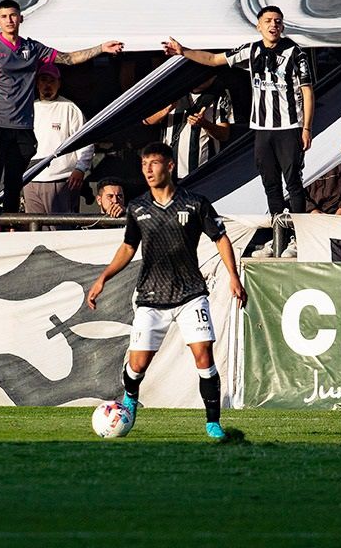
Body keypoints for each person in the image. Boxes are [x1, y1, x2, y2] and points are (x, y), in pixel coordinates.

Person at [86, 141, 245, 442]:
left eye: (154, 163)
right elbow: (128, 247)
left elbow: (221, 239)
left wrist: (233, 277)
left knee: (203, 356)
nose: (147, 169)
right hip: (151, 296)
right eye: (144, 163)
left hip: (190, 293)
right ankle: (130, 397)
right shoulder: (138, 207)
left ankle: (213, 423)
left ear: (170, 166)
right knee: (137, 365)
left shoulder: (195, 203)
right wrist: (103, 277)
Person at [0, 0, 123, 230]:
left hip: (23, 126)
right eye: (4, 16)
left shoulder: (32, 48)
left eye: (13, 15)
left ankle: (11, 228)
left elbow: (67, 58)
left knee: (14, 181)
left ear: (21, 18)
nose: (9, 20)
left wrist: (100, 49)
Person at [163, 5, 315, 234]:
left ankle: (300, 236)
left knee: (293, 181)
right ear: (259, 26)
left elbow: (307, 91)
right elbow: (214, 60)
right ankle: (280, 236)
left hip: (289, 127)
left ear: (283, 26)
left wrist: (307, 128)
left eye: (277, 21)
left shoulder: (296, 53)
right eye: (268, 21)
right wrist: (183, 51)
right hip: (262, 129)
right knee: (270, 182)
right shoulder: (251, 50)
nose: (273, 25)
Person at [22, 62, 92, 220]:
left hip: (61, 181)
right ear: (37, 83)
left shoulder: (69, 108)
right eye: (43, 80)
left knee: (60, 230)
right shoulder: (28, 108)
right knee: (34, 233)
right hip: (30, 180)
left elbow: (86, 141)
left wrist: (80, 169)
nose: (47, 85)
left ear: (59, 83)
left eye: (52, 81)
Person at [143, 76, 234, 179]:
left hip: (203, 171)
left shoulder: (220, 94)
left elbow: (224, 134)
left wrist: (204, 124)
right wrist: (166, 109)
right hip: (169, 171)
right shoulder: (172, 91)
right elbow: (147, 120)